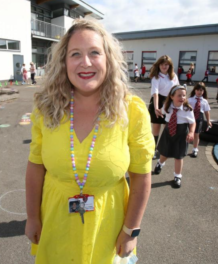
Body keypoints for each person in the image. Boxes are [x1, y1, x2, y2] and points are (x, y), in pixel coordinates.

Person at [25, 19, 154, 263]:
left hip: (110, 226)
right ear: (64, 62)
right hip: (56, 222)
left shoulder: (132, 110)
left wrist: (130, 231)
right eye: (75, 54)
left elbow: (141, 176)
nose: (85, 62)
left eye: (95, 52)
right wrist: (32, 217)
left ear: (108, 59)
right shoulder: (46, 109)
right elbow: (35, 165)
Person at [154, 85, 195, 188]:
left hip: (181, 134)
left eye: (184, 95)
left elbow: (192, 122)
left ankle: (177, 177)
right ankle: (160, 163)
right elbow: (161, 111)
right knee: (164, 153)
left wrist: (191, 132)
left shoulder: (187, 109)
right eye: (179, 95)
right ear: (172, 96)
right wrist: (158, 111)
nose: (182, 98)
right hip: (168, 132)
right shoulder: (167, 106)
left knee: (179, 156)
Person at [148, 55, 179, 160]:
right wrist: (157, 108)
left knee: (167, 129)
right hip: (158, 101)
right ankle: (153, 150)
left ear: (170, 66)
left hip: (169, 102)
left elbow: (177, 90)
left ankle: (163, 150)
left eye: (166, 64)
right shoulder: (156, 77)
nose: (164, 66)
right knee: (156, 129)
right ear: (158, 65)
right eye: (162, 64)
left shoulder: (174, 76)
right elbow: (155, 94)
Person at [188, 83, 212, 158]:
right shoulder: (190, 100)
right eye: (197, 90)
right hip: (190, 118)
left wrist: (208, 121)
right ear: (195, 90)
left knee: (196, 134)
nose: (199, 92)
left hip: (199, 119)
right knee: (186, 133)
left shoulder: (204, 101)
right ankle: (183, 148)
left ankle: (195, 149)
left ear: (203, 91)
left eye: (201, 90)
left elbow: (207, 112)